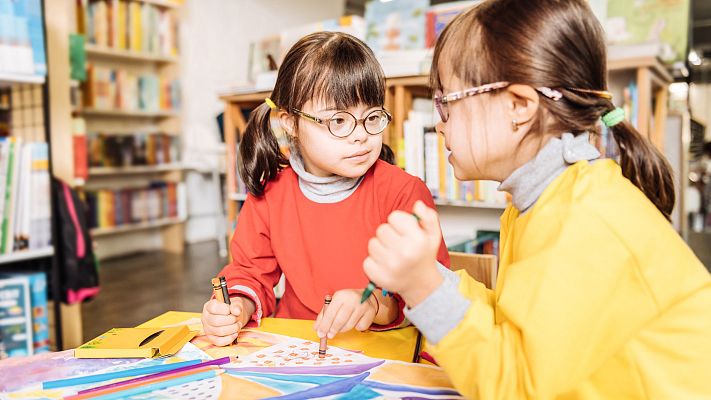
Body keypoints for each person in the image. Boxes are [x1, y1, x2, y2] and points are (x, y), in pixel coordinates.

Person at [363, 1, 711, 398]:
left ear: (519, 106)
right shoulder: (541, 202)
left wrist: (424, 287)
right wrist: (426, 276)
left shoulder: (586, 222)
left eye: (447, 102)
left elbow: (519, 388)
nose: (440, 124)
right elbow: (515, 325)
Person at [202, 31, 450, 347]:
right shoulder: (271, 193)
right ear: (290, 122)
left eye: (371, 117)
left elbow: (430, 290)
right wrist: (236, 308)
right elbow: (249, 272)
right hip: (297, 347)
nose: (361, 135)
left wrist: (373, 304)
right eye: (339, 121)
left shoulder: (404, 193)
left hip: (384, 351)